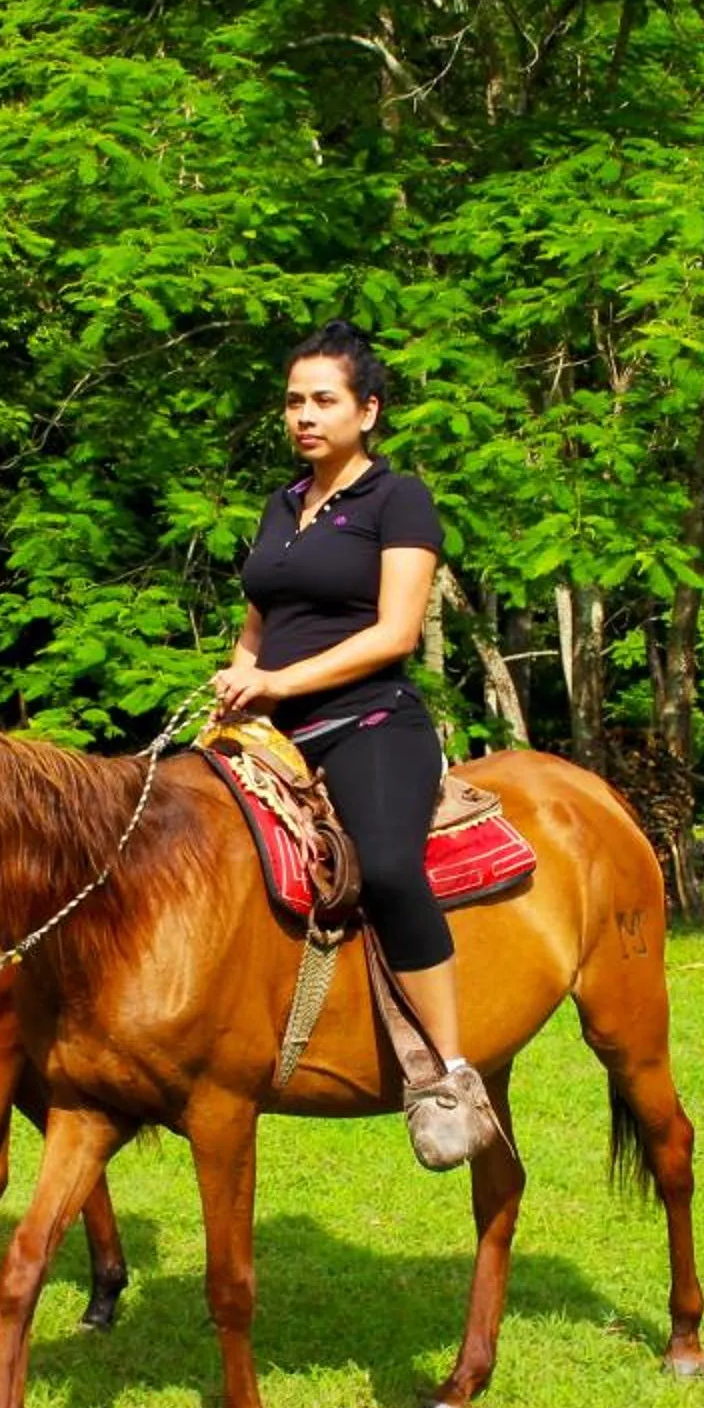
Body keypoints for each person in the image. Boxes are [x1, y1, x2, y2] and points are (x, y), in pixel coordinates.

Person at [210, 321, 500, 1172]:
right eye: (293, 402)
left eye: (324, 401)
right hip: (269, 733)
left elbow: (394, 634)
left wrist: (277, 683)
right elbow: (258, 626)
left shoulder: (397, 499)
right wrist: (237, 690)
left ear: (367, 411)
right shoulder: (280, 505)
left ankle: (449, 1074)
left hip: (368, 722)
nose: (304, 416)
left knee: (392, 867)